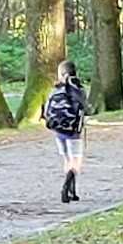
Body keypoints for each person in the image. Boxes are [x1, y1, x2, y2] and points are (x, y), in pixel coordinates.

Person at [42, 61, 88, 203]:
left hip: (58, 130)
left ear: (60, 74)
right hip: (73, 131)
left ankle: (71, 190)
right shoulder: (78, 90)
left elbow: (47, 110)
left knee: (67, 159)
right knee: (76, 160)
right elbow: (85, 108)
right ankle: (69, 184)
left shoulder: (55, 90)